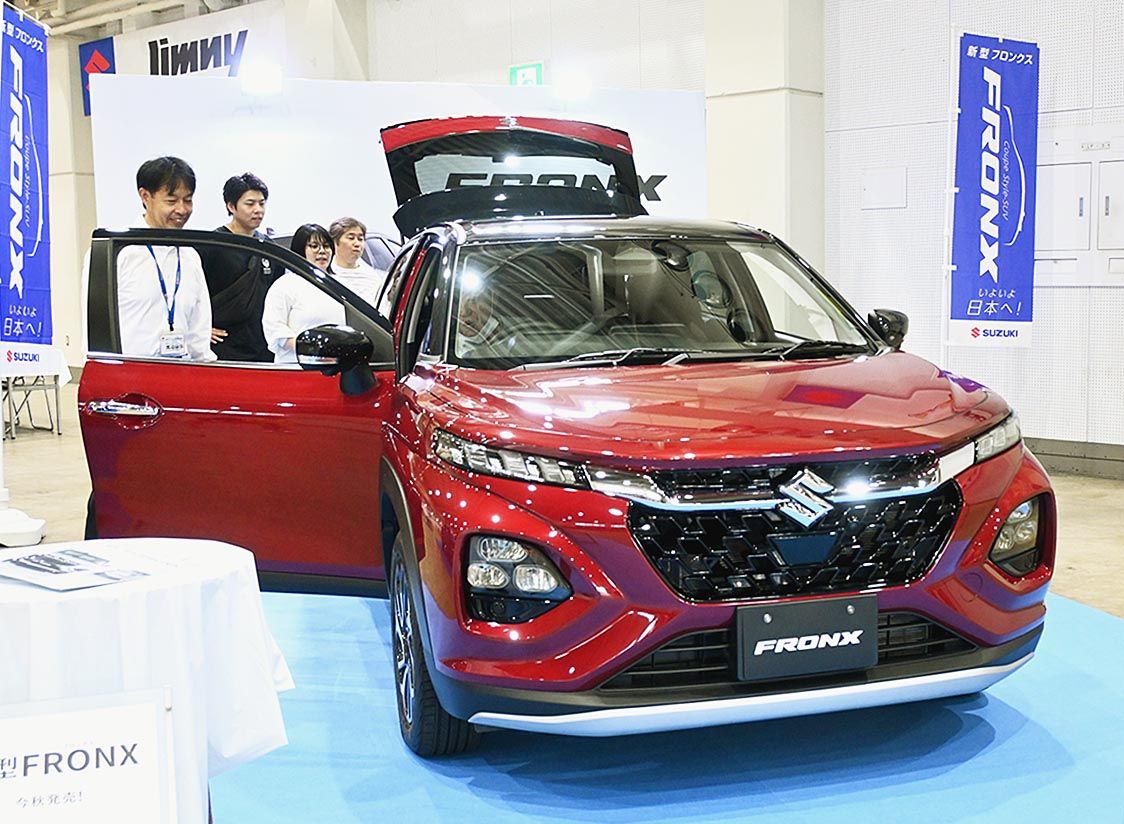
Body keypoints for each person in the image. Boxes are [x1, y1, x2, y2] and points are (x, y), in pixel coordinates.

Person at [114, 157, 215, 361]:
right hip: (130, 374)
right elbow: (93, 327)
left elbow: (199, 331)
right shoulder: (119, 252)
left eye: (188, 200)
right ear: (145, 196)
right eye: (171, 201)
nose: (182, 210)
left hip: (182, 373)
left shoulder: (189, 256)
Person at [198, 173, 277, 361]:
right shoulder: (211, 244)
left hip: (262, 348)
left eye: (262, 203)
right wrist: (200, 329)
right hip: (224, 349)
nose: (258, 210)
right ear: (231, 206)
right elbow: (192, 295)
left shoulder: (269, 247)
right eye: (250, 204)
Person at [261, 224, 345, 363]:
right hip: (295, 367)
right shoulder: (284, 285)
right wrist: (315, 350)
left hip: (336, 366)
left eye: (326, 246)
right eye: (314, 246)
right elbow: (275, 330)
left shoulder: (340, 284)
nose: (322, 251)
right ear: (300, 250)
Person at [328, 217, 382, 305]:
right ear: (335, 242)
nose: (357, 244)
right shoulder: (326, 273)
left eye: (360, 239)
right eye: (351, 238)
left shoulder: (372, 277)